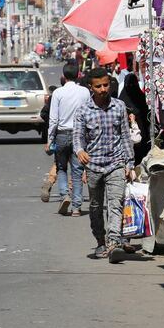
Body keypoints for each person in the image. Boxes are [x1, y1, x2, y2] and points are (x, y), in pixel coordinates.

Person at [73, 67, 135, 262]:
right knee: (95, 206)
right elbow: (77, 136)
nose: (103, 89)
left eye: (106, 85)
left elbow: (125, 136)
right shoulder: (83, 110)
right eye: (98, 86)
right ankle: (100, 241)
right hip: (93, 166)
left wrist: (130, 163)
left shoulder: (119, 106)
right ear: (91, 87)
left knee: (115, 204)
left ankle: (114, 242)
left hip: (116, 162)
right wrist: (80, 150)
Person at [47, 64, 91, 216]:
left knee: (61, 168)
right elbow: (89, 113)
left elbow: (53, 119)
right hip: (80, 135)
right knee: (77, 171)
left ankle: (64, 195)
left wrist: (49, 139)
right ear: (78, 75)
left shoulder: (58, 93)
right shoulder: (85, 92)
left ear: (64, 76)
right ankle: (77, 207)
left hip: (62, 134)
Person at [118, 73, 151, 165]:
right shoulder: (121, 100)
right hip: (127, 134)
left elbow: (147, 114)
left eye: (133, 85)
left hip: (142, 133)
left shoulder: (141, 97)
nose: (131, 87)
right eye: (129, 85)